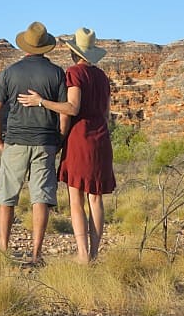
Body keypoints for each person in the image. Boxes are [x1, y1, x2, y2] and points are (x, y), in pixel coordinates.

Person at [18, 27, 115, 263]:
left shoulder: (74, 73)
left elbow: (72, 108)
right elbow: (107, 112)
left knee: (76, 198)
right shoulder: (102, 76)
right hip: (101, 138)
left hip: (81, 138)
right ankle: (94, 253)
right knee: (96, 198)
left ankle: (82, 254)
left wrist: (41, 102)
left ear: (74, 52)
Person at [0, 21, 67, 265]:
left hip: (15, 141)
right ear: (45, 47)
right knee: (41, 198)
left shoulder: (9, 72)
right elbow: (64, 114)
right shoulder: (57, 73)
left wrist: (0, 141)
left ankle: (3, 250)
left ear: (25, 45)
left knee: (7, 197)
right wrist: (60, 140)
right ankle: (36, 254)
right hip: (45, 141)